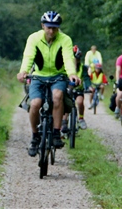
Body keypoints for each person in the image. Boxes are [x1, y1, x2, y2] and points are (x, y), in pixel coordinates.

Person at [17, 11, 80, 157]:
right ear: (42, 26)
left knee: (57, 96)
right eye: (48, 27)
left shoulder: (65, 40)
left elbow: (68, 58)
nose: (51, 31)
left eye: (55, 28)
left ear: (58, 28)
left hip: (58, 76)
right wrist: (24, 71)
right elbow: (28, 56)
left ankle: (57, 133)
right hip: (38, 76)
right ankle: (35, 137)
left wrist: (71, 74)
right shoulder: (34, 38)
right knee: (35, 104)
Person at [61, 45, 92, 133]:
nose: (75, 61)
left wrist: (89, 86)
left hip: (78, 89)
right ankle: (64, 123)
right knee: (66, 104)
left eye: (77, 59)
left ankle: (81, 118)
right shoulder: (65, 67)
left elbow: (86, 78)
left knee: (79, 102)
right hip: (67, 89)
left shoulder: (83, 67)